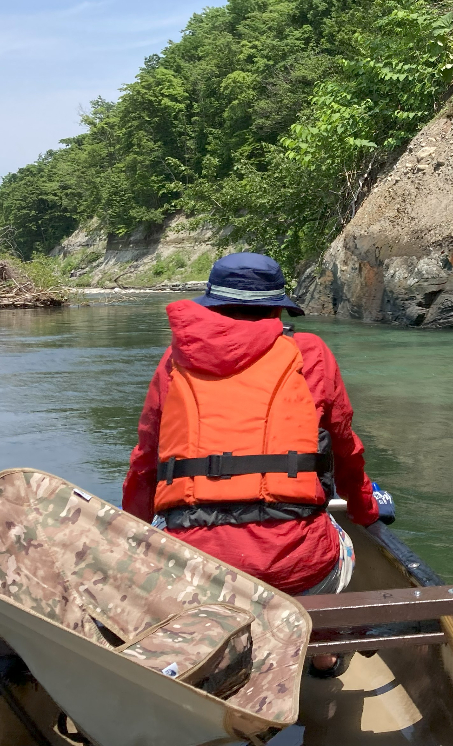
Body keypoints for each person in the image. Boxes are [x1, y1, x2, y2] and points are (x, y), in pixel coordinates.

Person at [123, 252, 380, 677]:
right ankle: (323, 654)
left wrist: (135, 533)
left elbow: (145, 463)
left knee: (169, 543)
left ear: (211, 304)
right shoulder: (310, 351)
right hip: (296, 568)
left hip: (199, 571)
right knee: (341, 542)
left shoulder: (173, 361)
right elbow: (346, 446)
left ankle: (205, 650)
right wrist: (364, 510)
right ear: (278, 308)